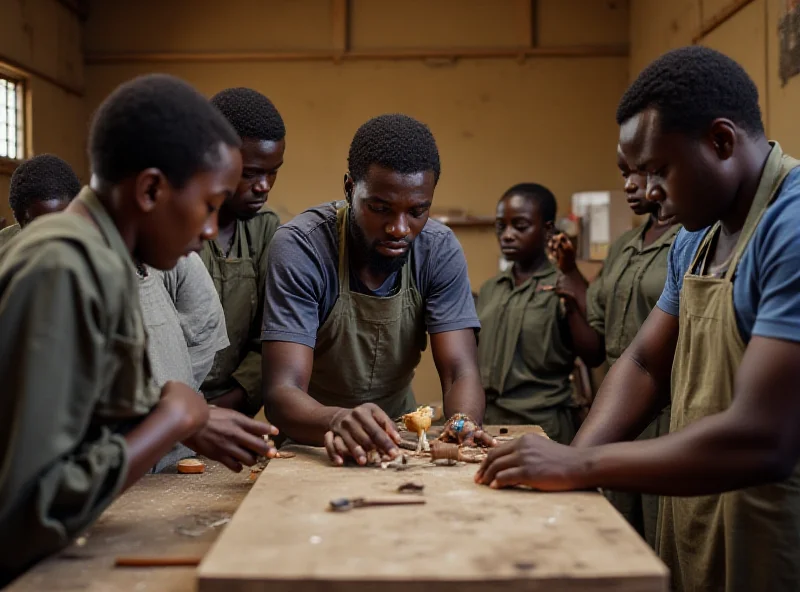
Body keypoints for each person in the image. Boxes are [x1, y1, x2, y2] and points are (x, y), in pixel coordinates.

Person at [475, 46, 800, 592]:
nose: (647, 192)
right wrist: (565, 462)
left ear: (720, 141)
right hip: (698, 511)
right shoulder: (697, 236)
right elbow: (647, 362)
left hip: (772, 522)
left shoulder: (789, 228)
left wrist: (581, 467)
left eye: (658, 170)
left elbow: (763, 438)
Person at [0, 73, 278, 583]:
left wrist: (185, 417)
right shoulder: (63, 267)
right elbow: (26, 512)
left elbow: (82, 407)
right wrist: (171, 420)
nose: (211, 231)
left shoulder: (106, 260)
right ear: (151, 189)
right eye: (210, 206)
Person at [262, 113, 494, 466]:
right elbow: (283, 392)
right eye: (380, 208)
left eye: (417, 211)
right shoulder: (302, 248)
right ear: (350, 189)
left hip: (400, 438)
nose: (399, 228)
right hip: (315, 438)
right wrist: (337, 420)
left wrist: (463, 423)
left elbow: (459, 370)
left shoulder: (439, 249)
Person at [546, 150, 679, 546]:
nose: (630, 184)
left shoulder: (693, 238)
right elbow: (596, 338)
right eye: (624, 173)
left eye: (640, 171)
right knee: (614, 532)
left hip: (667, 416)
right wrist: (571, 279)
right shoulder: (624, 246)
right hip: (617, 407)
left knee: (662, 539)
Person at [476, 183, 598, 444]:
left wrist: (572, 301)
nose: (507, 235)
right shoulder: (490, 289)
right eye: (501, 226)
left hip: (543, 427)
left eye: (520, 226)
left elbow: (593, 353)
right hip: (489, 424)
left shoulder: (565, 283)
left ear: (547, 230)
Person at [199, 87, 284, 417]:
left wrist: (224, 406)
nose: (263, 185)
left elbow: (271, 339)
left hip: (233, 410)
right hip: (166, 412)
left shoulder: (265, 230)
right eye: (250, 173)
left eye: (273, 171)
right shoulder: (173, 233)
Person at [0, 154, 81, 248]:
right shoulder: (4, 247)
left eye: (60, 223)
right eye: (40, 227)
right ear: (21, 221)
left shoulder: (93, 247)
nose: (51, 236)